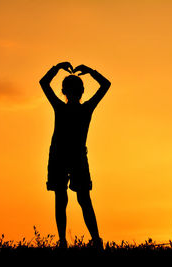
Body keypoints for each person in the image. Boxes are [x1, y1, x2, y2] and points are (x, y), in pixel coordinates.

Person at [39, 62, 111, 249]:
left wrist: (57, 67)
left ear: (64, 91)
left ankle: (67, 241)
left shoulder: (61, 107)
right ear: (81, 91)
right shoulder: (85, 109)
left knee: (63, 198)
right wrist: (90, 71)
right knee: (79, 198)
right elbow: (106, 85)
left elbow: (44, 83)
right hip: (72, 157)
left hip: (63, 156)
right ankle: (94, 241)